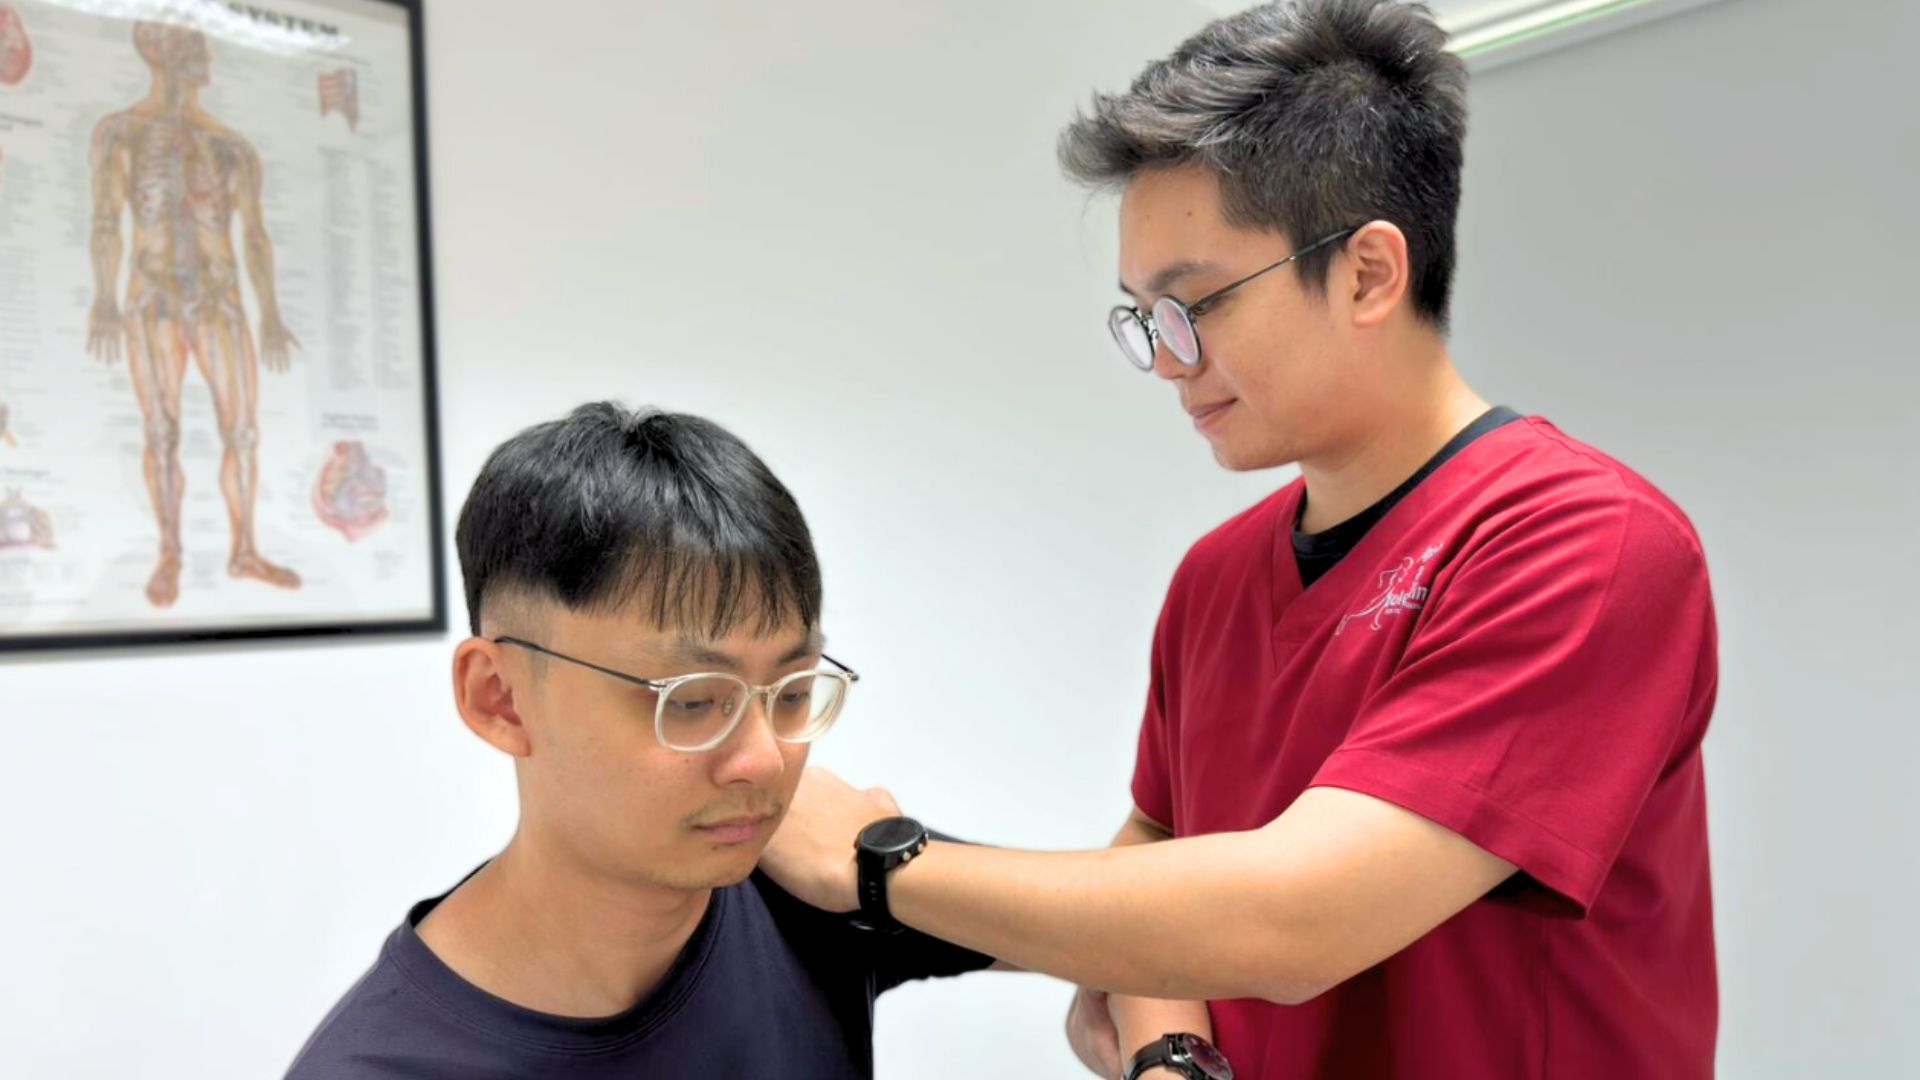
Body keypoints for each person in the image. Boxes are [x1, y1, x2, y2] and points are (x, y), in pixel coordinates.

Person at [759, 2, 1719, 1077]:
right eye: (1143, 319)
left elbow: (1295, 921)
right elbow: (1158, 867)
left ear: (1367, 273)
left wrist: (876, 862)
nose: (1169, 362)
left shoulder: (1583, 548)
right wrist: (1171, 1051)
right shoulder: (1216, 580)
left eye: (1197, 305)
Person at [285, 403, 994, 1078]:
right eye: (689, 702)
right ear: (499, 699)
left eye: (793, 692)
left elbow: (1101, 928)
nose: (763, 760)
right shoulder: (380, 1066)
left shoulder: (811, 880)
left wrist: (885, 878)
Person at [87, 21, 303, 608]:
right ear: (158, 54)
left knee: (244, 429)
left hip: (220, 301)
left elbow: (255, 236)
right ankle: (170, 553)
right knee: (161, 432)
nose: (204, 53)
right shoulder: (120, 134)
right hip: (152, 298)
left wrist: (272, 314)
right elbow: (107, 221)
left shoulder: (231, 148)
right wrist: (104, 298)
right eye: (190, 44)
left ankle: (244, 550)